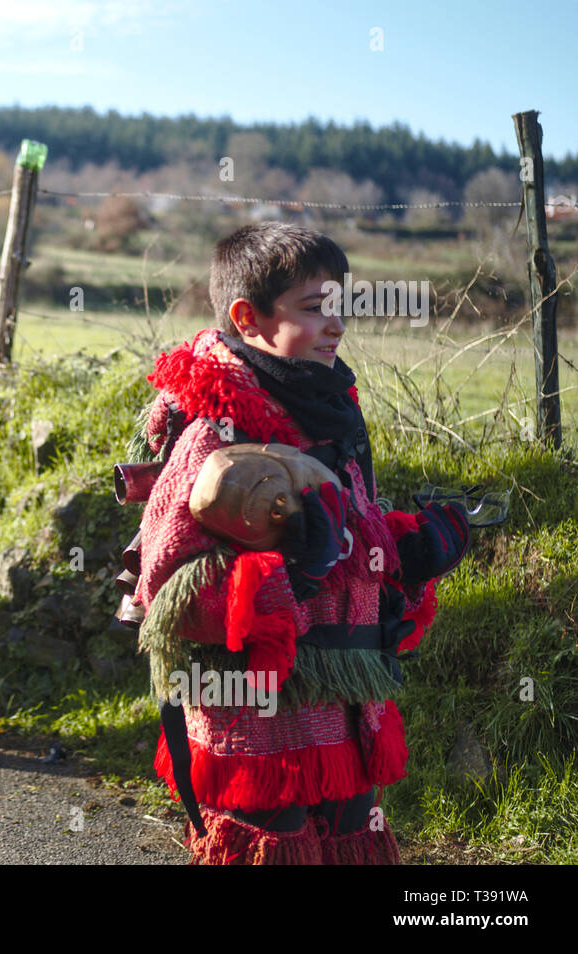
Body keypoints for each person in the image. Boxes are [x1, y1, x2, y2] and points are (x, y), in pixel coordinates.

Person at [133, 223, 469, 864]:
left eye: (340, 306)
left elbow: (358, 543)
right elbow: (165, 590)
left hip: (345, 710)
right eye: (315, 309)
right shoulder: (214, 433)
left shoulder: (337, 420)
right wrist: (290, 575)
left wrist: (411, 559)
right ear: (247, 317)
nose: (336, 324)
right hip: (252, 722)